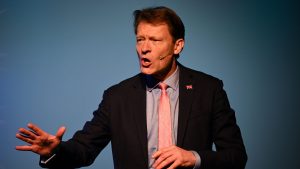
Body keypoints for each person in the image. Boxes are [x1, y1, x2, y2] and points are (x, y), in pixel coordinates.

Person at [16, 6, 247, 169]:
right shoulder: (118, 97)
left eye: (155, 40)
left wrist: (192, 158)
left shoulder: (209, 89)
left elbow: (236, 157)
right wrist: (56, 151)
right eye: (139, 39)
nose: (143, 49)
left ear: (178, 45)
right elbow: (84, 150)